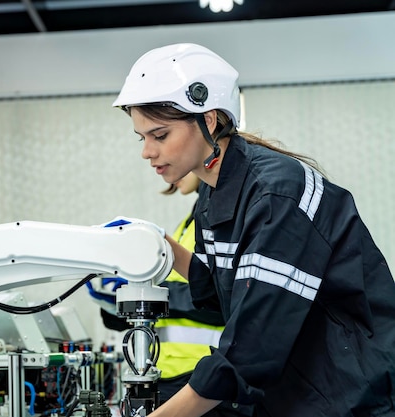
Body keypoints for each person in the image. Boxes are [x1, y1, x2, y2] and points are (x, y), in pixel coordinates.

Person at [107, 43, 395, 416]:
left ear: (208, 120)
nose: (147, 151)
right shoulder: (215, 193)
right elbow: (222, 292)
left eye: (159, 136)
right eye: (141, 137)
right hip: (296, 395)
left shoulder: (277, 194)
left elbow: (252, 345)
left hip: (347, 397)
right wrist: (160, 248)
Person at [89, 172, 228, 406]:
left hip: (202, 372)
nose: (170, 174)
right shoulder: (187, 224)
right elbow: (172, 308)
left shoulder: (218, 222)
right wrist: (117, 302)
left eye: (162, 136)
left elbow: (220, 297)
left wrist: (150, 294)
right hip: (165, 373)